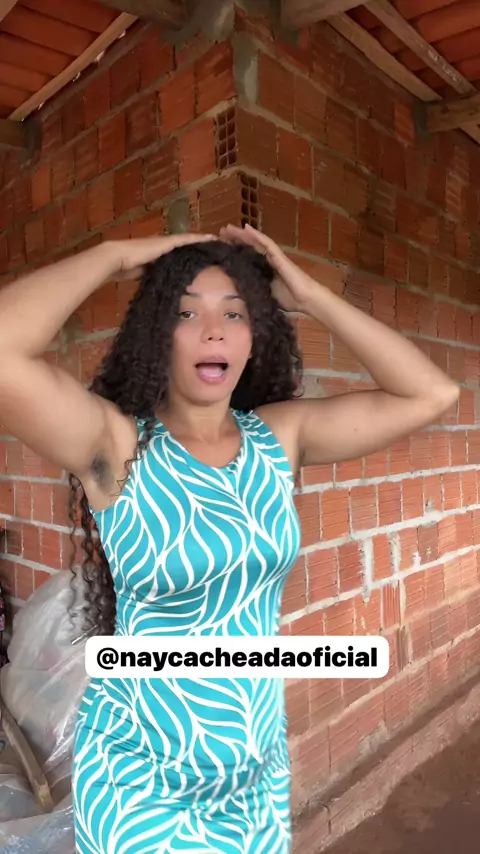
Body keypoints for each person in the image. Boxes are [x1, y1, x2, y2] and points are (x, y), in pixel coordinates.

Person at [0, 224, 458, 854]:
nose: (213, 330)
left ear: (254, 334)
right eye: (186, 312)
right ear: (156, 332)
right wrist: (113, 256)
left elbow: (433, 393)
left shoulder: (279, 439)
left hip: (251, 770)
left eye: (234, 313)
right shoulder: (117, 444)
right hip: (140, 777)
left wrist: (311, 295)